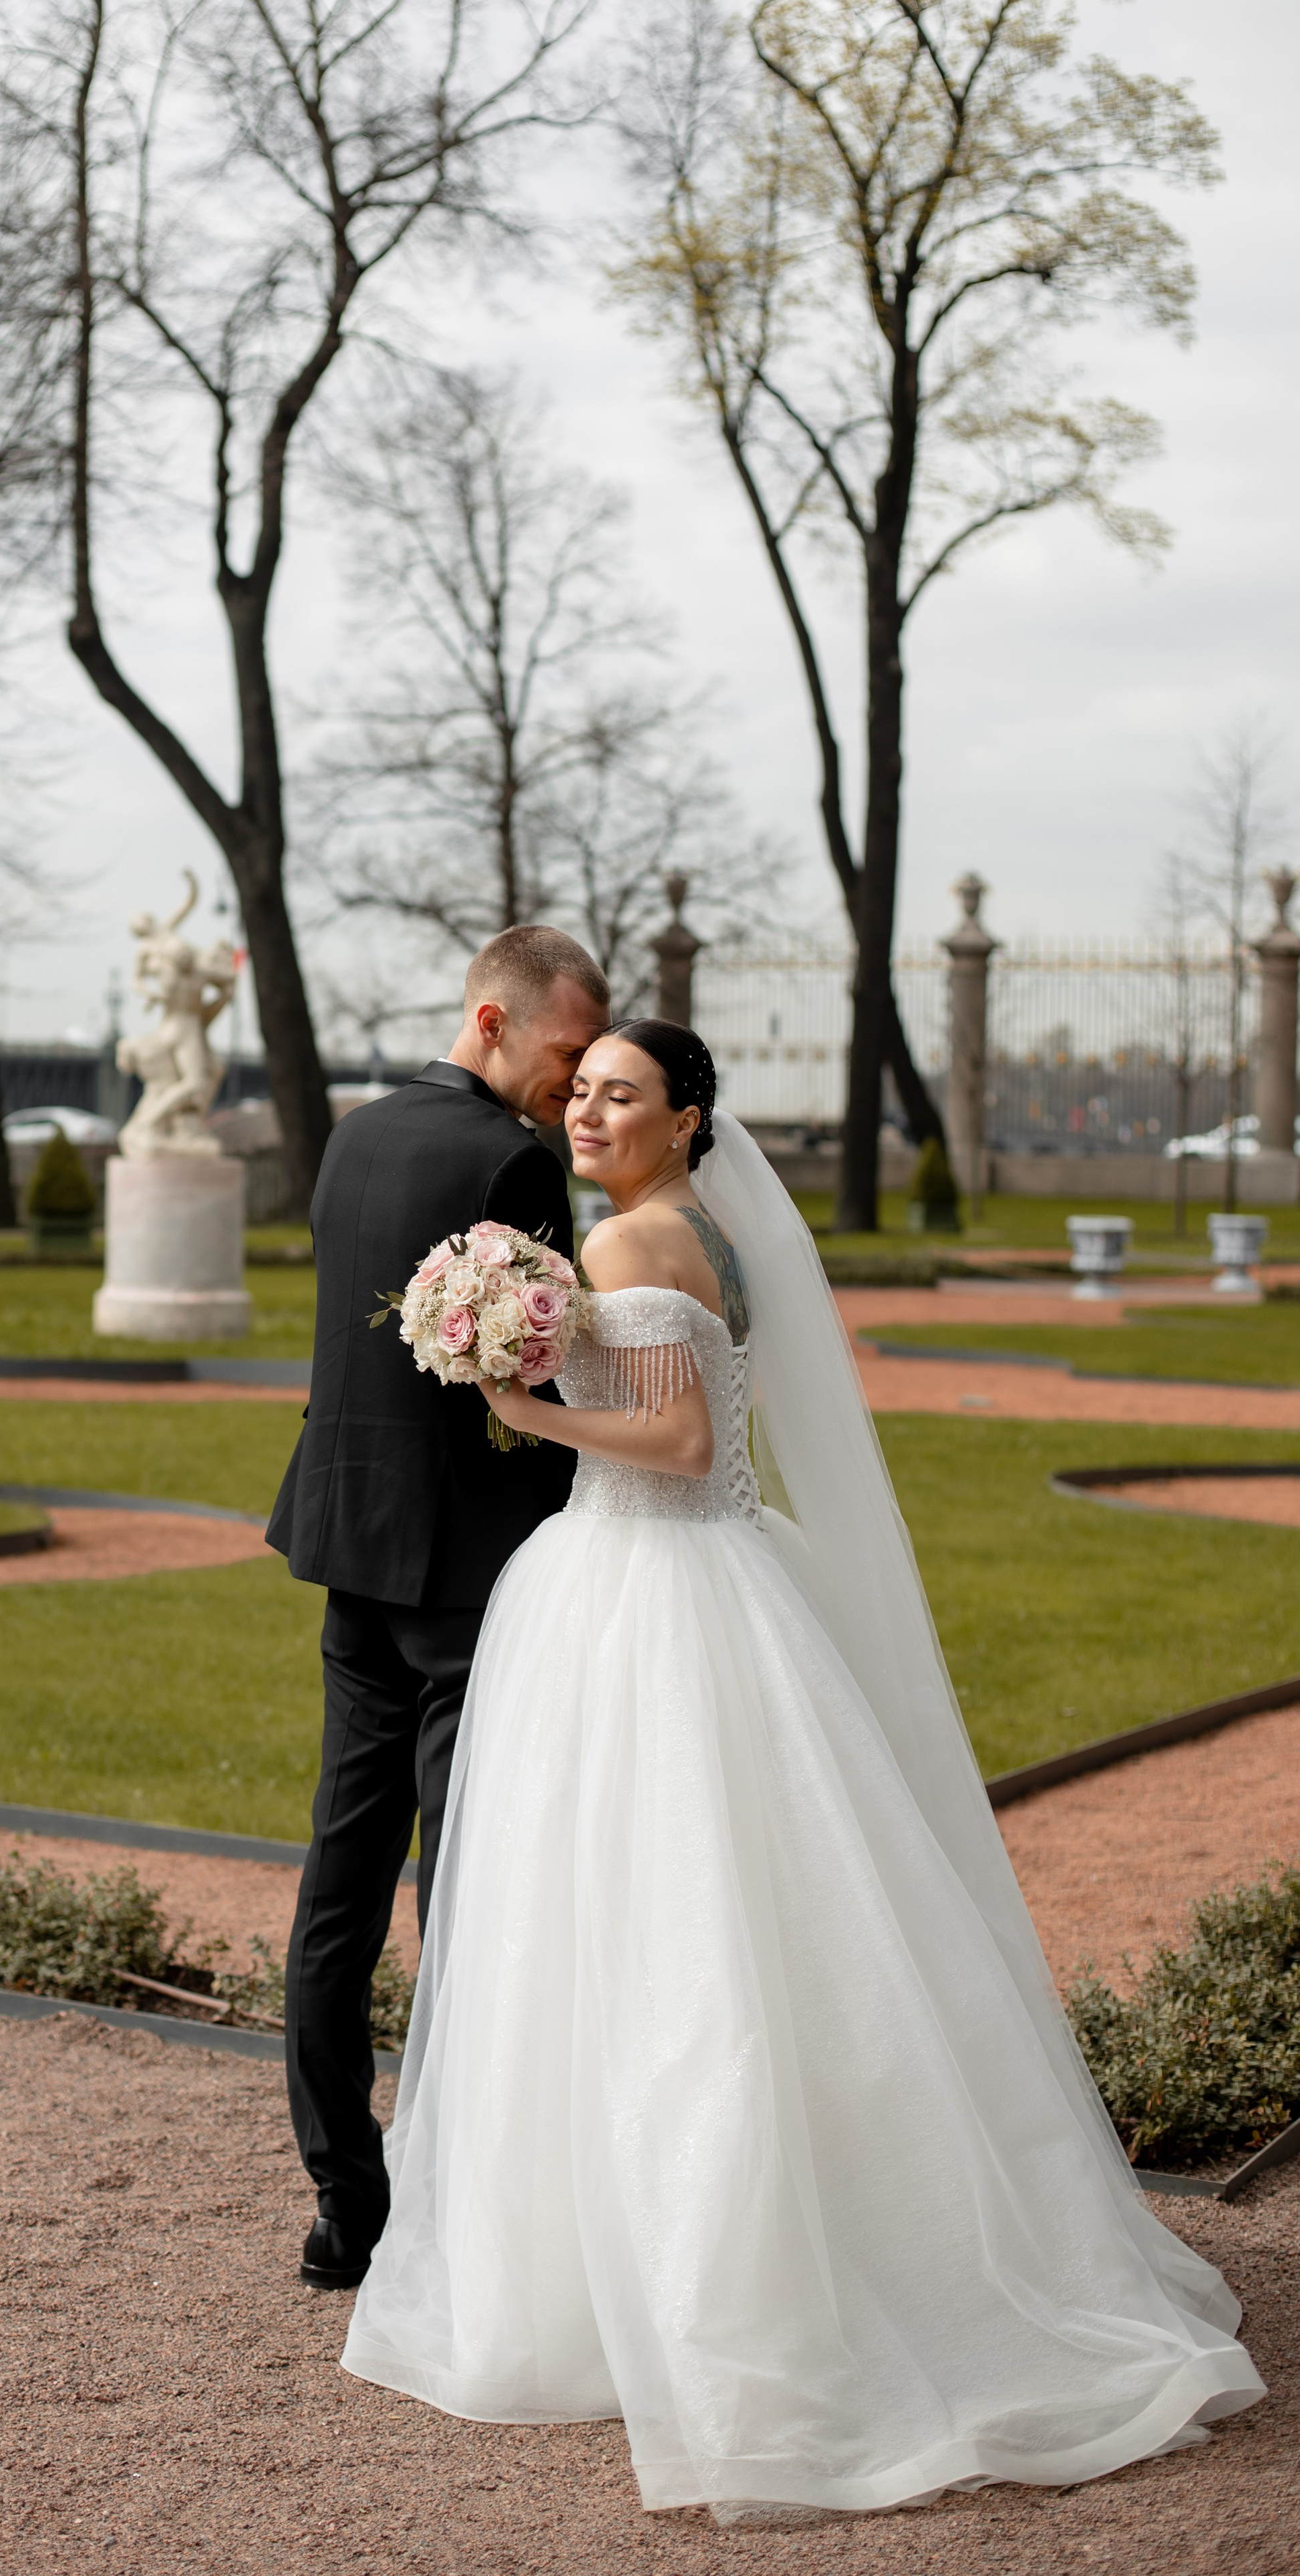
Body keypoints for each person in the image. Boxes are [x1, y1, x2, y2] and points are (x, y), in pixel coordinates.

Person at [341, 1021, 1264, 2522]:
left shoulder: (641, 1239)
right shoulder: (686, 1227)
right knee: (736, 1925)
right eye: (577, 1091)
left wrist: (521, 1401)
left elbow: (682, 1435)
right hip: (695, 1588)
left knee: (646, 1933)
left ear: (685, 1119)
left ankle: (672, 2280)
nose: (585, 1110)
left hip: (645, 1593)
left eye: (618, 1094)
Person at [266, 926, 612, 2292]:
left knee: (338, 1888)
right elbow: (530, 1372)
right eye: (563, 1054)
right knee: (465, 1891)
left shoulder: (350, 1135)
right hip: (469, 1572)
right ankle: (462, 2217)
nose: (573, 1086)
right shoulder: (510, 1164)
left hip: (350, 1546)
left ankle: (344, 2205)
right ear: (491, 1020)